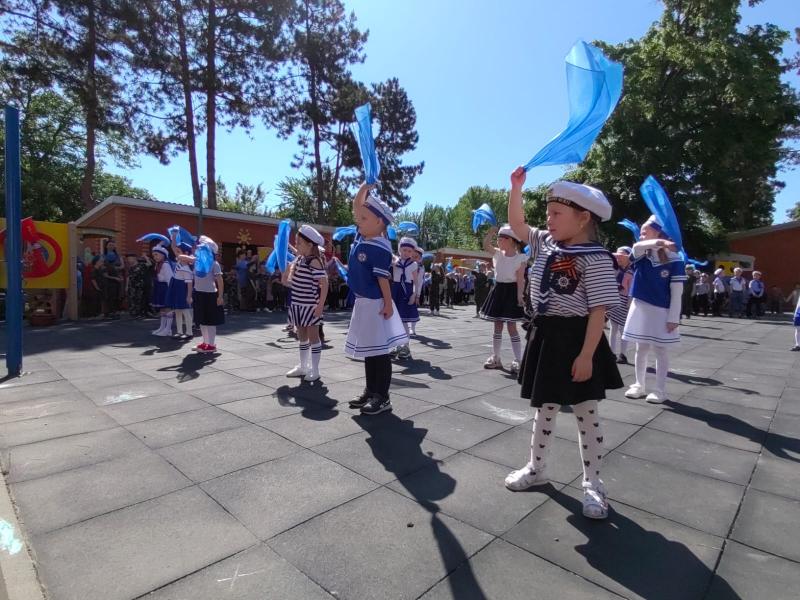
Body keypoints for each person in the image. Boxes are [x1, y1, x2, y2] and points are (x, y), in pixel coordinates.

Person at [504, 169, 622, 522]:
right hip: (546, 336)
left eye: (556, 214)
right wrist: (516, 189)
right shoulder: (544, 243)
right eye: (548, 214)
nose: (548, 220)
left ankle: (593, 483)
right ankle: (537, 469)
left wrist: (587, 355)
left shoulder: (597, 258)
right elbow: (517, 223)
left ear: (583, 217)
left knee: (586, 413)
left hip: (577, 339)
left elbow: (599, 311)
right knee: (545, 409)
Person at [345, 183, 408, 415]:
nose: (358, 220)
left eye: (364, 218)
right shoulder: (362, 236)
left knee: (379, 352)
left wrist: (389, 305)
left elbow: (383, 280)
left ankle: (382, 396)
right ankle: (371, 390)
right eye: (359, 218)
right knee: (369, 351)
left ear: (380, 222)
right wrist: (364, 187)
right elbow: (356, 205)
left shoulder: (379, 247)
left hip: (375, 304)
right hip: (363, 303)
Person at [622, 215, 686, 403]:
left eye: (645, 230)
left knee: (660, 351)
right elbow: (636, 248)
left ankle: (659, 390)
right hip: (640, 307)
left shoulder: (675, 260)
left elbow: (677, 292)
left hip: (661, 311)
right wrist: (659, 242)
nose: (641, 234)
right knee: (640, 349)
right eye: (641, 231)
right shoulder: (643, 254)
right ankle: (638, 385)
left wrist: (673, 317)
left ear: (659, 231)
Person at [479, 224, 528, 374]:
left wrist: (520, 295)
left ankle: (518, 360)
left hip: (511, 291)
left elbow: (521, 279)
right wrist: (491, 232)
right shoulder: (498, 254)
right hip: (499, 290)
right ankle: (496, 357)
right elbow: (486, 244)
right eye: (498, 238)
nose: (499, 240)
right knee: (497, 326)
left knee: (512, 327)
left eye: (502, 238)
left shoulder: (521, 258)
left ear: (512, 240)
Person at [283, 225, 329, 382]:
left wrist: (320, 305)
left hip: (310, 306)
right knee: (301, 336)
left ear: (310, 245)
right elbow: (293, 283)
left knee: (313, 337)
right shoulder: (300, 259)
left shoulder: (314, 261)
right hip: (297, 304)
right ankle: (303, 366)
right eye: (296, 242)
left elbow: (324, 283)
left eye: (299, 242)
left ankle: (315, 370)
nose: (296, 245)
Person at [177, 236, 224, 353]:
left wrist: (220, 296)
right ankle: (205, 342)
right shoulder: (197, 261)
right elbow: (180, 256)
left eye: (203, 249)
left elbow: (220, 281)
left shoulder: (214, 264)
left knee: (210, 321)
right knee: (201, 320)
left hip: (211, 295)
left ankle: (212, 345)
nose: (199, 250)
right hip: (198, 294)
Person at [390, 237, 421, 359]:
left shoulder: (413, 265)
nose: (406, 253)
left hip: (407, 292)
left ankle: (406, 346)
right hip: (395, 291)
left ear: (413, 252)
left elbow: (416, 282)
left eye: (409, 251)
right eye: (404, 250)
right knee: (394, 321)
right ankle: (396, 345)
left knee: (403, 321)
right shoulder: (395, 263)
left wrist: (415, 294)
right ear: (399, 250)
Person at [608, 246, 633, 364]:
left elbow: (632, 289)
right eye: (617, 256)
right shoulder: (614, 269)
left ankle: (623, 354)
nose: (618, 258)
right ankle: (611, 353)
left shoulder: (631, 272)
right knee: (613, 328)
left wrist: (629, 303)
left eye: (621, 256)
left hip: (624, 301)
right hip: (613, 299)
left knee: (623, 330)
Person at [166, 241, 194, 339]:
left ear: (185, 254)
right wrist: (173, 236)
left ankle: (189, 332)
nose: (176, 253)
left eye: (179, 251)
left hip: (182, 290)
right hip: (176, 288)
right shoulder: (179, 262)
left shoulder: (186, 269)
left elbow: (189, 284)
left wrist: (189, 296)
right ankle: (179, 331)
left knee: (185, 311)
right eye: (176, 252)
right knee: (177, 311)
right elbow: (173, 247)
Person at [150, 244, 175, 336]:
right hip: (160, 287)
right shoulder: (158, 265)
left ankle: (168, 329)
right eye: (153, 255)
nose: (154, 257)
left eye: (156, 254)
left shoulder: (165, 265)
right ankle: (162, 327)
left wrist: (171, 292)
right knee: (162, 309)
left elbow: (170, 279)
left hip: (165, 288)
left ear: (163, 255)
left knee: (168, 308)